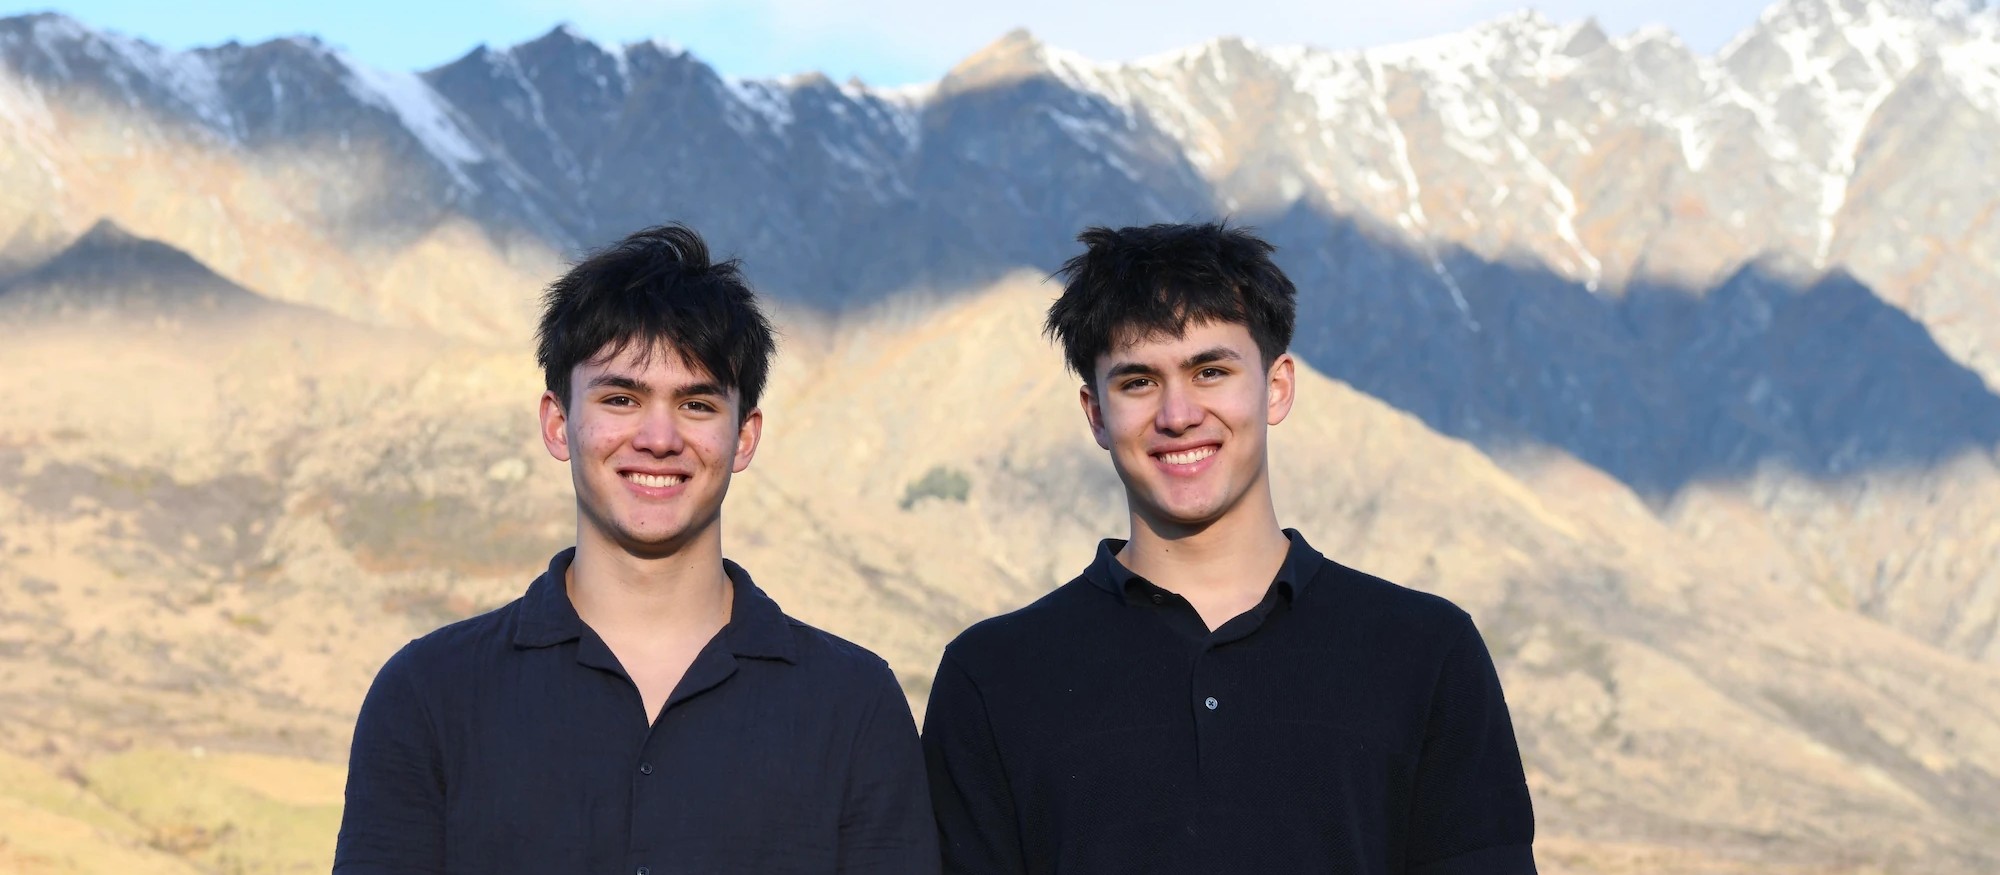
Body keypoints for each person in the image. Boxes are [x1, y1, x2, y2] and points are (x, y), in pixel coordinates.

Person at [921, 222, 1536, 874]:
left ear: (1277, 387)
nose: (1178, 413)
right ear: (1096, 413)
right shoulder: (993, 676)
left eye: (1210, 370)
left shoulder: (1426, 650)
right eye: (1137, 382)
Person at [334, 223, 938, 874]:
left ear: (744, 437)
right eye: (621, 397)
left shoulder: (853, 705)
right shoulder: (429, 696)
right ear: (558, 422)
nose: (657, 436)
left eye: (697, 403)